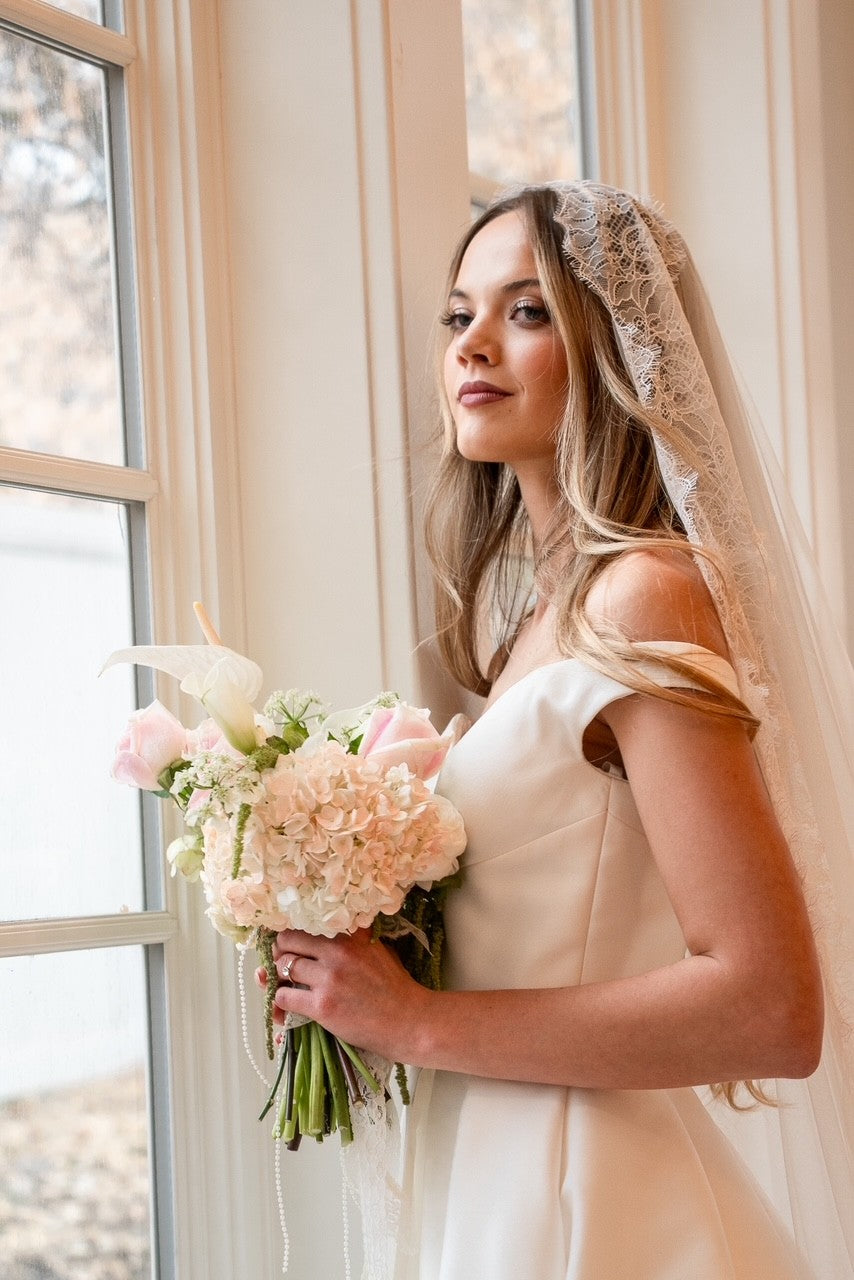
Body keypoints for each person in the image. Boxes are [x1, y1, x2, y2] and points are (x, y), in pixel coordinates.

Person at [267, 184, 854, 1279]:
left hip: (588, 1201)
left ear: (614, 348)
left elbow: (770, 1006)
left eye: (526, 311)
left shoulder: (646, 594)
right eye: (459, 314)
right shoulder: (534, 622)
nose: (472, 344)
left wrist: (413, 1019)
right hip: (491, 1177)